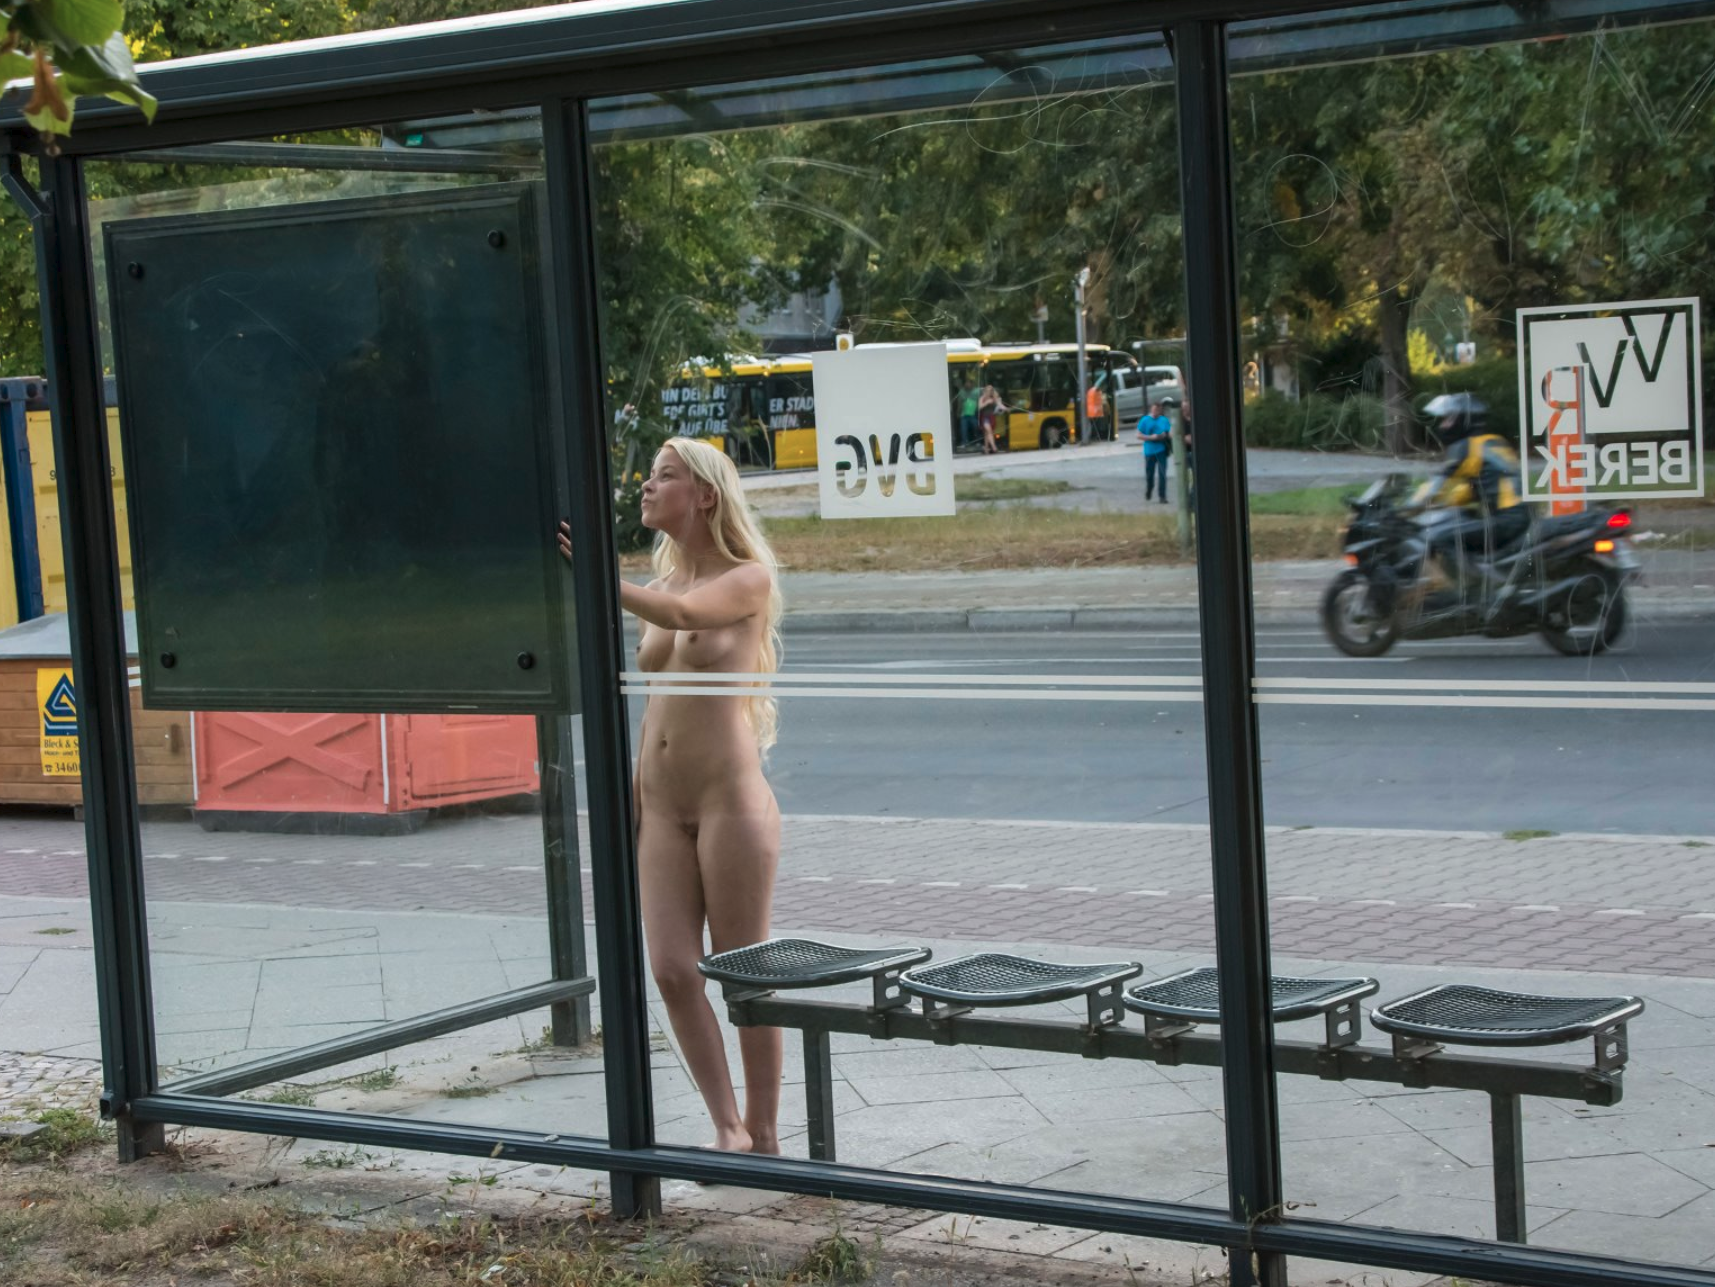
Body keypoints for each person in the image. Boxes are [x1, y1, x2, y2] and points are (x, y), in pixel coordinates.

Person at [558, 436, 784, 1155]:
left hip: (728, 802)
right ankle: (726, 1127)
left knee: (743, 972)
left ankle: (766, 1132)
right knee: (671, 970)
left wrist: (596, 576)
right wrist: (630, 797)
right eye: (650, 476)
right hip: (660, 803)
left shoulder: (746, 578)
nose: (647, 487)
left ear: (705, 494)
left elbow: (684, 619)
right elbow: (656, 691)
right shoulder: (665, 581)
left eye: (664, 475)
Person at [1411, 393, 1527, 581]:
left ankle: (1473, 586)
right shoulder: (1493, 441)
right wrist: (1448, 502)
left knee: (1438, 537)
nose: (1443, 425)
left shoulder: (1465, 446)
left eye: (1449, 419)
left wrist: (1408, 507)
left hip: (1505, 521)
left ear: (1464, 421)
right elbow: (1476, 487)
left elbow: (1436, 487)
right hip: (1519, 516)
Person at [1138, 399, 1172, 502]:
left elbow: (1169, 433)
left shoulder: (1164, 420)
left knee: (1162, 474)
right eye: (1154, 410)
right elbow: (1138, 435)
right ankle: (1149, 489)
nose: (1156, 412)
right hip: (1149, 451)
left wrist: (1165, 435)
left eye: (1158, 410)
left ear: (1160, 410)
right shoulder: (1145, 420)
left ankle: (1162, 496)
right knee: (1150, 475)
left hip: (1161, 450)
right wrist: (1151, 437)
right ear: (1151, 409)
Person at [977, 383, 1007, 454]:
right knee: (989, 431)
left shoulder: (993, 398)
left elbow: (1000, 405)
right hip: (984, 417)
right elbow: (979, 407)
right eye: (988, 390)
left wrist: (1006, 409)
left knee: (986, 433)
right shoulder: (982, 398)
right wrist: (986, 403)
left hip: (991, 417)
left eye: (990, 390)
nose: (989, 392)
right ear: (985, 391)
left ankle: (986, 449)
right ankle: (994, 447)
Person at [955, 377, 981, 452]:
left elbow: (980, 400)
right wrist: (958, 412)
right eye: (966, 383)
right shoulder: (961, 392)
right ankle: (964, 442)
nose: (967, 385)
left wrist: (979, 409)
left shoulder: (977, 391)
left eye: (968, 383)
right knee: (963, 429)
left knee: (976, 427)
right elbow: (959, 403)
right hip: (964, 414)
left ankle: (978, 441)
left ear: (972, 384)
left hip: (974, 413)